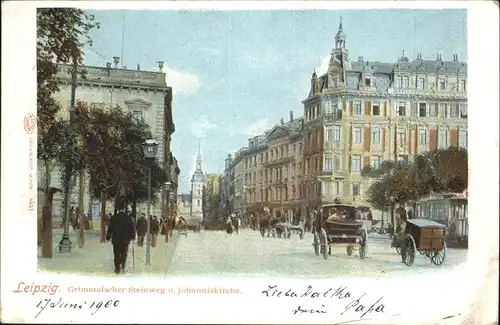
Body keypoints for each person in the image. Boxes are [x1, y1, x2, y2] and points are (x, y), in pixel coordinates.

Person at [106, 207, 135, 274]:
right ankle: (123, 263)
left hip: (116, 239)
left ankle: (117, 268)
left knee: (116, 254)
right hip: (125, 239)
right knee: (124, 252)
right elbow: (132, 228)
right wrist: (132, 236)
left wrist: (108, 236)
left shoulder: (114, 218)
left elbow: (110, 228)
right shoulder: (128, 218)